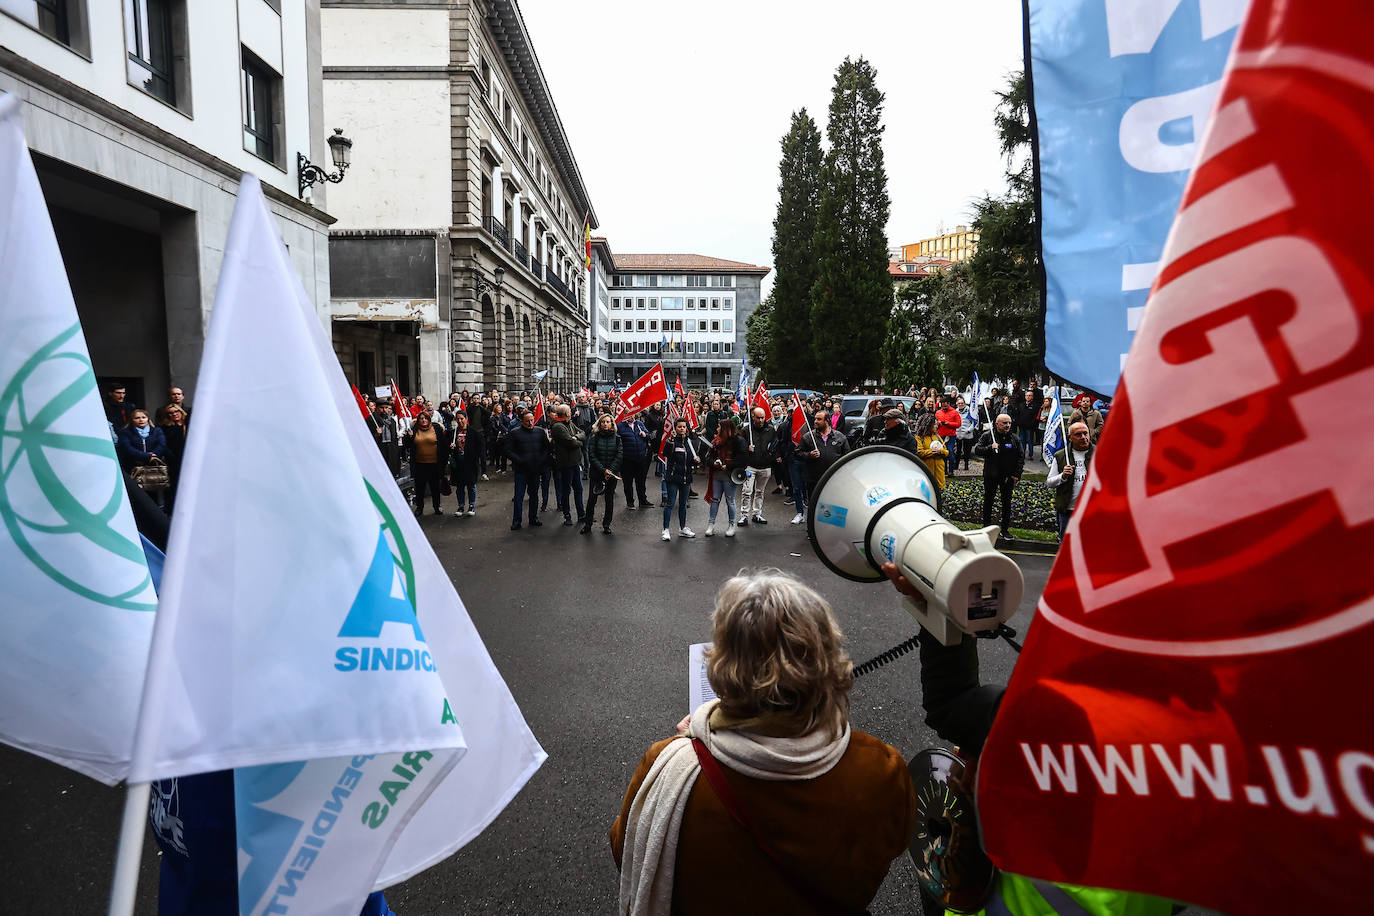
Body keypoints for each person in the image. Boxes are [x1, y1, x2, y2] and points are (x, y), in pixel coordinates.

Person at [610, 569, 916, 916]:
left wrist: (686, 747)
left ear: (724, 663)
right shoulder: (881, 770)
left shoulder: (670, 766)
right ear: (825, 652)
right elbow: (893, 844)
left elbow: (627, 850)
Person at [974, 413, 1023, 536]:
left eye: (1009, 423)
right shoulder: (988, 436)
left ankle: (1005, 530)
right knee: (988, 501)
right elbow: (977, 450)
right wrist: (990, 447)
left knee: (1007, 503)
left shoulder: (1014, 438)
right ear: (997, 424)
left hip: (1008, 477)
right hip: (991, 475)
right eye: (1004, 423)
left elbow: (1020, 457)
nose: (1007, 425)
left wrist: (1017, 474)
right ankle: (986, 527)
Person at [1047, 421, 1093, 539]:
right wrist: (1062, 476)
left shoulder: (1099, 453)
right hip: (1068, 511)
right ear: (1070, 437)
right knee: (1066, 546)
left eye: (1085, 433)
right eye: (1078, 434)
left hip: (1092, 512)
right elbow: (1050, 482)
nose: (1083, 437)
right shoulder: (1061, 456)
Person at [704, 417, 747, 537]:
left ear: (725, 429)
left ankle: (732, 525)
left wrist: (728, 465)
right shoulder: (715, 442)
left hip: (730, 476)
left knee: (730, 500)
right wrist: (714, 462)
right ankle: (711, 524)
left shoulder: (738, 441)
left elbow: (743, 459)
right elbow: (708, 457)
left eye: (719, 427)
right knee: (715, 499)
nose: (717, 429)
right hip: (717, 475)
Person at [660, 417, 699, 541]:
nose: (682, 429)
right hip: (673, 478)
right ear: (675, 428)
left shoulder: (689, 442)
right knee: (670, 504)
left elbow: (691, 459)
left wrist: (696, 460)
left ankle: (683, 528)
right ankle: (665, 529)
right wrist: (670, 441)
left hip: (686, 478)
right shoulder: (671, 441)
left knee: (683, 505)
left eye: (684, 427)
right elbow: (665, 453)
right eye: (679, 427)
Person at [737, 407, 778, 526]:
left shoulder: (770, 430)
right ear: (753, 417)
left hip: (765, 466)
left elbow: (775, 443)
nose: (761, 420)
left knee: (760, 491)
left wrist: (771, 454)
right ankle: (744, 515)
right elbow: (738, 446)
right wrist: (746, 448)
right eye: (758, 417)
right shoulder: (745, 430)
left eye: (763, 417)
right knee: (747, 491)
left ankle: (757, 514)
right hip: (750, 466)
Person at [584, 414, 623, 534]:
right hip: (597, 474)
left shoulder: (617, 439)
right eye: (603, 422)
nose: (605, 424)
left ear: (612, 424)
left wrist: (610, 471)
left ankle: (607, 525)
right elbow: (592, 455)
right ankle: (588, 525)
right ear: (599, 424)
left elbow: (619, 455)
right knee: (592, 500)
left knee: (609, 500)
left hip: (611, 475)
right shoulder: (594, 438)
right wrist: (603, 470)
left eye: (608, 422)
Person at [798, 412, 849, 504]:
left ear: (827, 421)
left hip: (834, 480)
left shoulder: (840, 437)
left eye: (819, 419)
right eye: (815, 419)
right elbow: (797, 453)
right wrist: (809, 455)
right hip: (814, 481)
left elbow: (847, 457)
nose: (815, 421)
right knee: (815, 505)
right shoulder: (808, 437)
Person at [404, 412, 447, 516]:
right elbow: (407, 445)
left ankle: (437, 506)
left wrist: (444, 462)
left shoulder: (436, 428)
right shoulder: (414, 430)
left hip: (434, 464)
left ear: (429, 419)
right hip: (420, 464)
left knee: (435, 487)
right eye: (421, 418)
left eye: (426, 418)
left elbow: (443, 444)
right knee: (420, 488)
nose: (423, 420)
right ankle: (419, 507)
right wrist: (409, 437)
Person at [551, 405, 588, 527]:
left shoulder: (570, 423)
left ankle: (581, 514)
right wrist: (578, 442)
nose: (571, 413)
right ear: (566, 413)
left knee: (579, 489)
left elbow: (583, 433)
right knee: (566, 490)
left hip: (576, 462)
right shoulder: (558, 426)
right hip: (566, 464)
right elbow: (570, 443)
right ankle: (567, 516)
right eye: (569, 412)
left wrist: (576, 437)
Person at [914, 412, 949, 513]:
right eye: (934, 424)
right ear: (928, 424)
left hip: (939, 472)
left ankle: (938, 512)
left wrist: (941, 451)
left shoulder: (937, 437)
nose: (936, 426)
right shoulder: (919, 438)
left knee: (938, 495)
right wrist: (933, 452)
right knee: (927, 495)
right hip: (927, 472)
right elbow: (920, 452)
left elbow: (946, 452)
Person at [449, 411, 481, 516]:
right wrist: (451, 447)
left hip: (470, 463)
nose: (460, 421)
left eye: (462, 418)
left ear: (466, 418)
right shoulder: (454, 432)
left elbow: (479, 447)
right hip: (458, 464)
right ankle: (461, 506)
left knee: (471, 485)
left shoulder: (473, 432)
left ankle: (471, 505)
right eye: (458, 419)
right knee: (460, 486)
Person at [618, 413, 651, 510]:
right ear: (624, 415)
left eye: (633, 414)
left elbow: (648, 435)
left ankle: (643, 500)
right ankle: (630, 502)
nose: (631, 416)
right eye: (628, 414)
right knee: (628, 482)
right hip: (627, 460)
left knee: (641, 481)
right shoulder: (620, 426)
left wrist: (645, 435)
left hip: (640, 459)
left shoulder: (639, 424)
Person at [935, 395, 963, 478]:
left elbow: (958, 424)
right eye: (942, 406)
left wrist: (949, 423)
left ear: (949, 404)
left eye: (945, 406)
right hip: (940, 436)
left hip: (950, 436)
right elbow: (935, 424)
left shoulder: (954, 412)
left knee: (950, 452)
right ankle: (944, 471)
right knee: (942, 452)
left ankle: (951, 471)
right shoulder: (938, 412)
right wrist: (938, 424)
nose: (944, 408)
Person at [372, 401, 401, 474]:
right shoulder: (372, 420)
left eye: (386, 408)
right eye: (382, 408)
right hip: (379, 451)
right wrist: (377, 435)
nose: (384, 410)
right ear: (377, 408)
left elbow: (394, 438)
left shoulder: (392, 421)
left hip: (391, 451)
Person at [1014, 389, 1040, 459]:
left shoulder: (1035, 406)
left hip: (1030, 427)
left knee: (1030, 440)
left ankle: (1030, 455)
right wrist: (1019, 423)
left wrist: (1032, 424)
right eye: (1027, 395)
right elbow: (1018, 415)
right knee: (1022, 441)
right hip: (1022, 426)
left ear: (1032, 397)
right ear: (1025, 396)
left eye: (1029, 395)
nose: (1028, 397)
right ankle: (1022, 454)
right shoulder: (1021, 405)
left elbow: (1035, 417)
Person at [955, 396, 977, 471]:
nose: (960, 404)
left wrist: (969, 430)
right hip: (958, 434)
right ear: (957, 404)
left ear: (964, 403)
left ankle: (966, 465)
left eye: (962, 403)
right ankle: (956, 465)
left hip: (967, 434)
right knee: (958, 451)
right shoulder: (956, 411)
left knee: (966, 451)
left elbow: (974, 423)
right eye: (959, 403)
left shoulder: (970, 411)